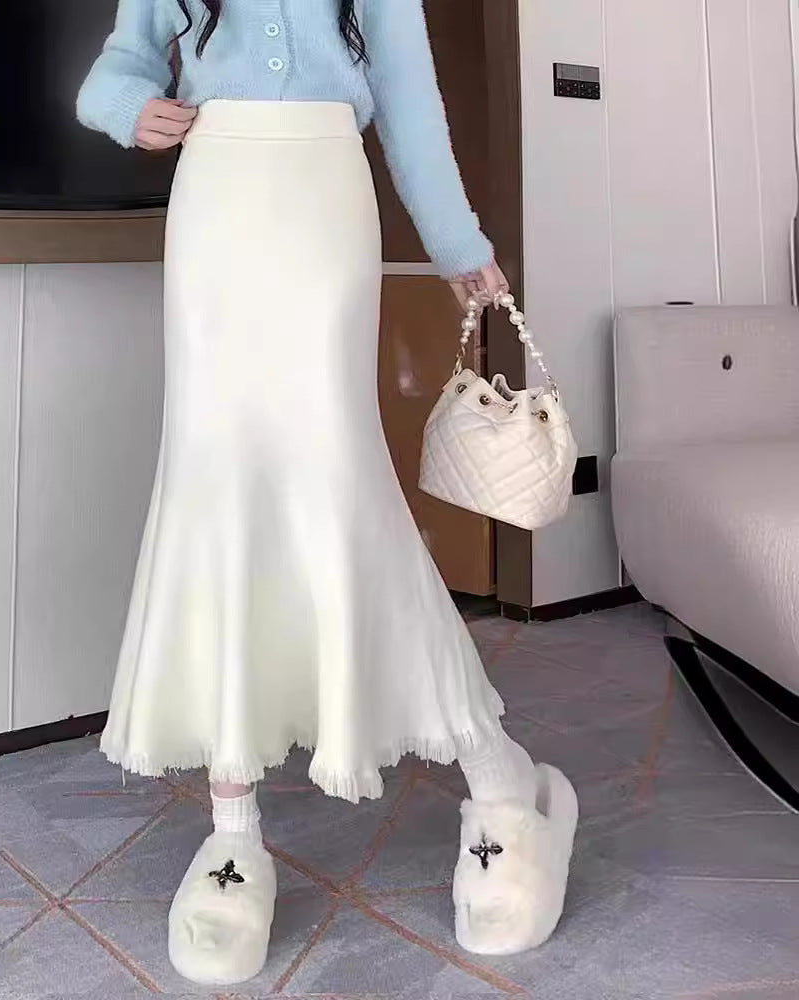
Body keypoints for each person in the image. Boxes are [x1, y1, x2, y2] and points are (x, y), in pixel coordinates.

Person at [77, 0, 578, 986]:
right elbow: (112, 71)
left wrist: (456, 241)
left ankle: (500, 776)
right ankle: (232, 828)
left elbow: (409, 97)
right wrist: (128, 108)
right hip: (215, 201)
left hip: (322, 202)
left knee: (339, 484)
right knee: (213, 487)